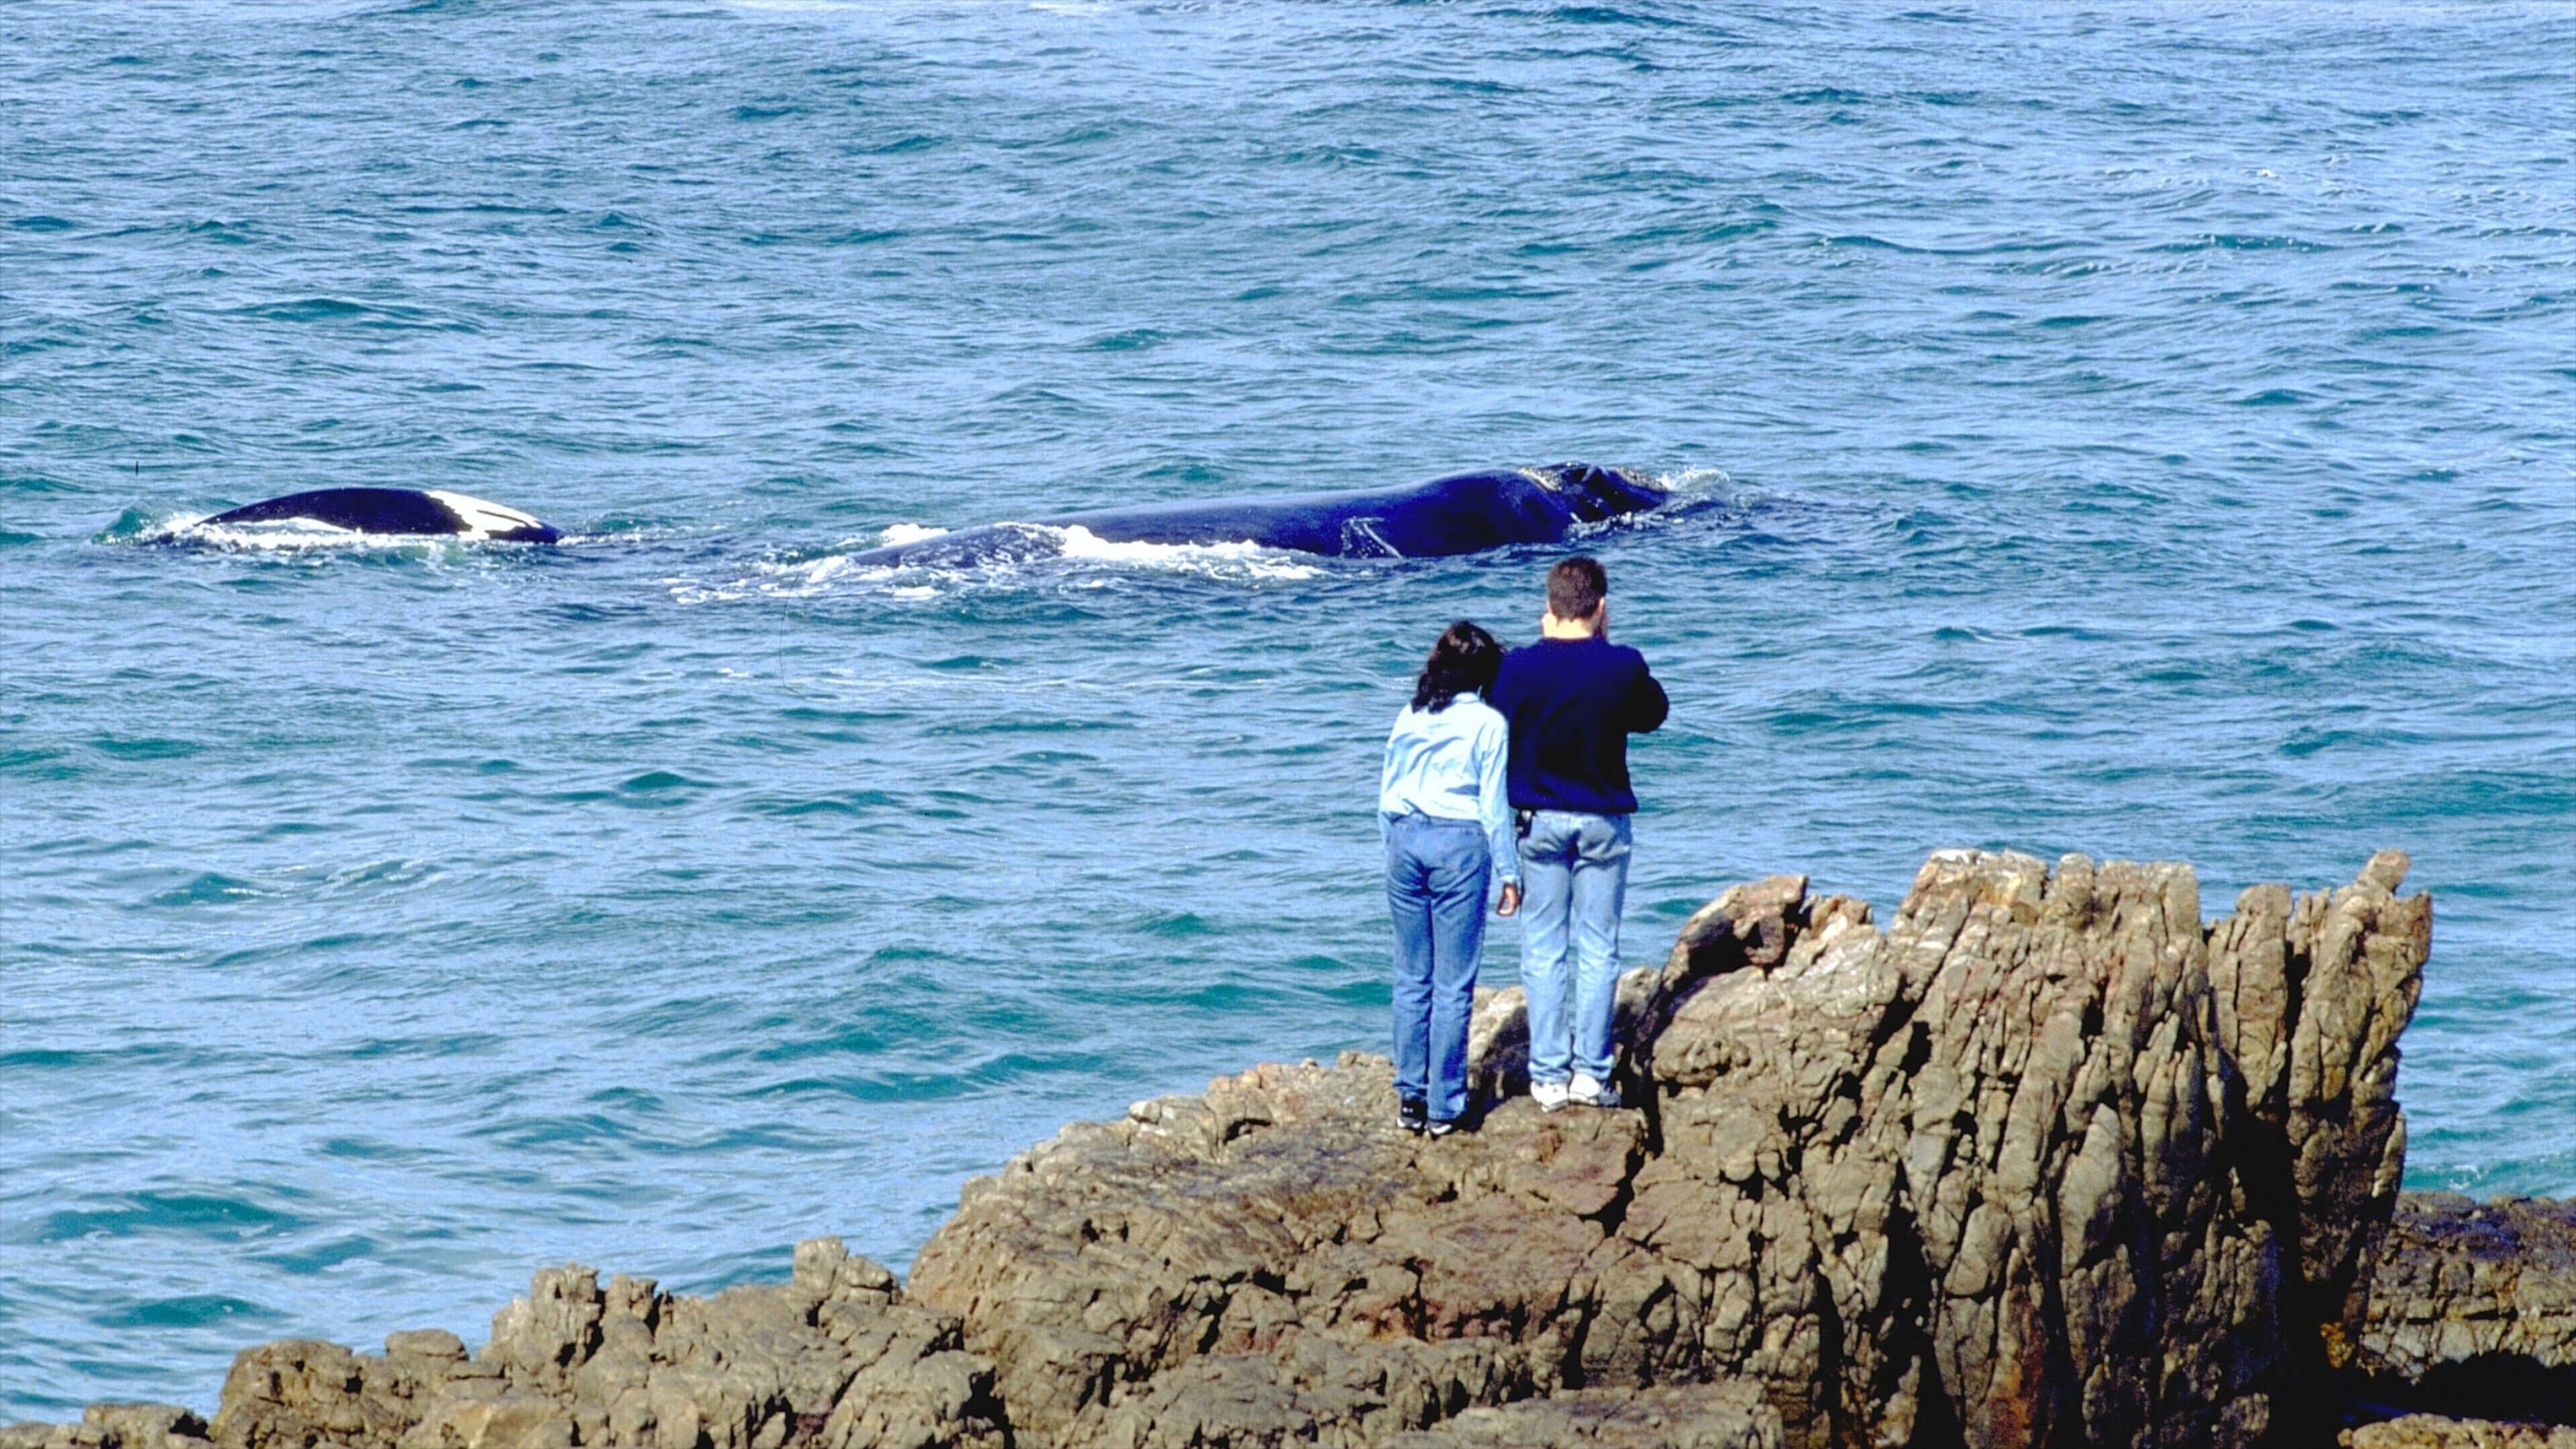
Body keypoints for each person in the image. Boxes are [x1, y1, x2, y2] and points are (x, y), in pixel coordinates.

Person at [1488, 556, 1668, 1112]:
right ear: (1601, 606)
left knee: (1543, 949)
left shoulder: (1516, 667)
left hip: (1538, 820)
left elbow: (1496, 721)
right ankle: (1592, 1073)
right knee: (1598, 947)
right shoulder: (1623, 664)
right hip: (1603, 821)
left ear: (1550, 607)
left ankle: (1547, 1076)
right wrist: (1607, 643)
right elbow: (1653, 714)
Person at [1379, 621, 1522, 1136]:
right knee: (1453, 985)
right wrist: (1510, 873)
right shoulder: (1488, 723)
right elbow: (1492, 807)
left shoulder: (1411, 712)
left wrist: (1392, 847)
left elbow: (1387, 792)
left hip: (1405, 839)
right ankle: (1444, 1105)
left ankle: (1409, 1099)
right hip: (1460, 843)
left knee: (1411, 978)